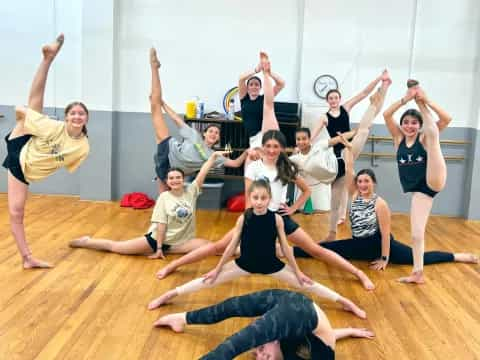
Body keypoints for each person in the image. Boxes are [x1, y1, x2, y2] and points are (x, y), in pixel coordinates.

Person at [148, 179, 366, 320]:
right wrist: (217, 268)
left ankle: (345, 302)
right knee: (208, 280)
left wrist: (297, 271)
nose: (260, 202)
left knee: (308, 284)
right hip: (244, 264)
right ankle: (170, 294)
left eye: (263, 198)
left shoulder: (277, 220)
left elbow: (287, 249)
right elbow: (232, 246)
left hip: (273, 266)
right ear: (250, 199)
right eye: (255, 198)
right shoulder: (245, 217)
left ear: (269, 199)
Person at [293, 136, 478, 270]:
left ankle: (456, 256)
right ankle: (288, 250)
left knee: (418, 257)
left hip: (378, 244)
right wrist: (349, 148)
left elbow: (386, 235)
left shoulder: (379, 204)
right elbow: (349, 168)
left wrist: (384, 258)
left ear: (373, 184)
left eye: (367, 181)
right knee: (321, 249)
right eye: (360, 181)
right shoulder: (354, 194)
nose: (363, 184)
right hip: (357, 245)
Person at [3, 34, 90, 269]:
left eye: (81, 113)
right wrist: (24, 115)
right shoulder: (54, 126)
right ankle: (48, 59)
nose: (77, 116)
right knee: (34, 106)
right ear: (66, 117)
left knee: (17, 211)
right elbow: (20, 109)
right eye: (73, 113)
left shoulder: (83, 147)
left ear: (86, 119)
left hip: (26, 168)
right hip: (20, 146)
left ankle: (27, 259)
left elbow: (64, 164)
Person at [70, 152, 227, 259]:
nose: (175, 180)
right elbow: (161, 225)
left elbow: (202, 174)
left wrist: (212, 158)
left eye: (178, 177)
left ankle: (244, 250)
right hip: (157, 241)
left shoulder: (191, 191)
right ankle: (86, 242)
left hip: (181, 242)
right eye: (171, 178)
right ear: (167, 181)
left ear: (183, 179)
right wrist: (158, 249)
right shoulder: (164, 198)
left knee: (213, 248)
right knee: (118, 248)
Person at [155, 289, 374, 359]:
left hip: (290, 306)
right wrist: (352, 330)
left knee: (233, 305)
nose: (260, 354)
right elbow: (330, 336)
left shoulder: (286, 345)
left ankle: (180, 318)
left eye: (258, 354)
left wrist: (349, 331)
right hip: (302, 311)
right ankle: (182, 317)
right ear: (274, 340)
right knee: (235, 343)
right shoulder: (318, 355)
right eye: (262, 349)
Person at [382, 81, 455, 284]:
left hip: (434, 178)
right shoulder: (398, 138)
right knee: (416, 234)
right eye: (406, 122)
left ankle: (421, 100)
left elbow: (447, 119)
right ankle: (418, 273)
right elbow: (387, 115)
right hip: (420, 191)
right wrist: (405, 99)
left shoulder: (423, 136)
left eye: (414, 123)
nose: (409, 126)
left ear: (419, 124)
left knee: (432, 136)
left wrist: (425, 101)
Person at [149, 48, 247, 193]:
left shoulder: (215, 156)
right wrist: (163, 104)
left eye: (216, 132)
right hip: (169, 149)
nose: (214, 133)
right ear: (204, 134)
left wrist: (248, 152)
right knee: (155, 105)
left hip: (173, 170)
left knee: (166, 201)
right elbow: (176, 119)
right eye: (211, 131)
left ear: (218, 138)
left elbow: (235, 163)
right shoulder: (194, 135)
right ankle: (154, 67)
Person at [311, 70, 390, 238]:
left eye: (335, 98)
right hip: (338, 155)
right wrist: (303, 147)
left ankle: (384, 86)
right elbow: (313, 136)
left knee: (364, 125)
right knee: (338, 192)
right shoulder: (324, 117)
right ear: (327, 101)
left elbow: (363, 93)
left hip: (351, 146)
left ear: (339, 99)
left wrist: (378, 79)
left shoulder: (346, 107)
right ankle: (332, 231)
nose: (333, 101)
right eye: (330, 99)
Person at [238, 52, 285, 149]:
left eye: (256, 85)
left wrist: (268, 72)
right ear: (247, 88)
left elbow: (281, 83)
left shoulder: (265, 98)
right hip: (253, 138)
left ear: (260, 87)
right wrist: (256, 69)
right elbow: (241, 79)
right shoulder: (244, 99)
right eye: (251, 84)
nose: (254, 87)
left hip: (266, 133)